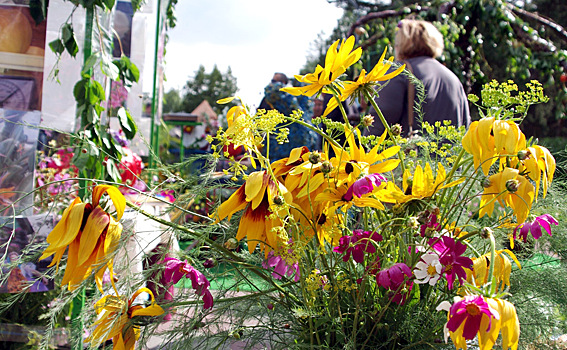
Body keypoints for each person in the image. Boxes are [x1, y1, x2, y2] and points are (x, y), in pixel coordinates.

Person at [367, 19, 470, 137]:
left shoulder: (399, 71)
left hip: (411, 154)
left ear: (402, 44)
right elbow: (465, 125)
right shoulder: (453, 78)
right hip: (453, 154)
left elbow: (377, 124)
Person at [258, 73, 319, 159]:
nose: (272, 83)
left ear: (282, 82)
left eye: (274, 81)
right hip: (291, 141)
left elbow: (270, 89)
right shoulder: (291, 96)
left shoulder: (290, 96)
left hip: (294, 142)